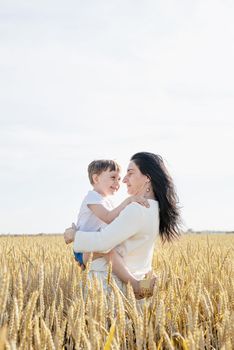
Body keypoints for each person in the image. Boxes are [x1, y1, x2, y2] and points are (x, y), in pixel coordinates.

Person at [64, 152, 181, 297]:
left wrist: (73, 235)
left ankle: (138, 287)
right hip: (130, 283)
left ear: (147, 178)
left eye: (130, 173)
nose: (123, 180)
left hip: (110, 286)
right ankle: (140, 287)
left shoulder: (137, 208)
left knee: (109, 250)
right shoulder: (154, 208)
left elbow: (103, 242)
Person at [67, 159, 151, 297]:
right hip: (85, 249)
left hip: (94, 245)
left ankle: (145, 286)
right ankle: (135, 285)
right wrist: (129, 200)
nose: (118, 183)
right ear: (96, 178)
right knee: (109, 251)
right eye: (113, 178)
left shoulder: (108, 202)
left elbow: (117, 223)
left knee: (123, 252)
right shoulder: (92, 198)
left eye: (119, 179)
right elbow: (109, 217)